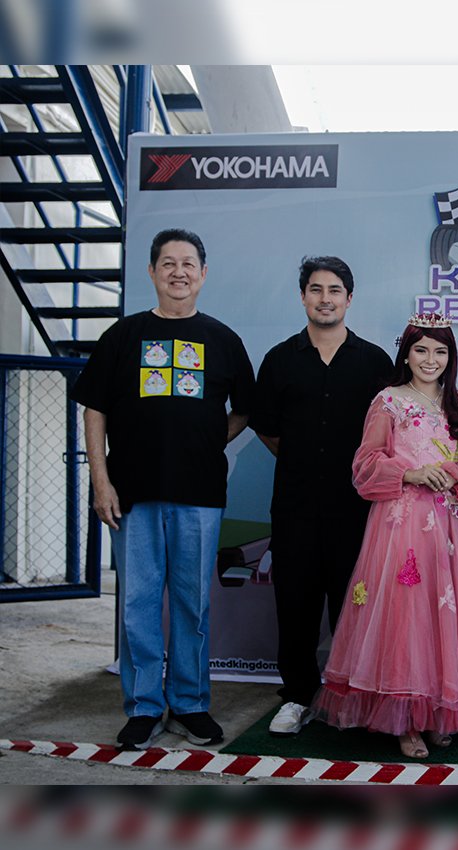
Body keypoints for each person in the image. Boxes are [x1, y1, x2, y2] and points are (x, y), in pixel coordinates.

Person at [72, 228, 255, 750]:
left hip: (199, 494)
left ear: (203, 274)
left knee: (192, 605)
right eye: (168, 263)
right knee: (138, 603)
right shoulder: (122, 336)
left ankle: (191, 704)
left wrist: (206, 440)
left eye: (188, 263)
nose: (179, 272)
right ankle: (144, 706)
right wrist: (101, 480)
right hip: (131, 492)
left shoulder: (223, 339)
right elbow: (94, 410)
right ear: (151, 272)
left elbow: (245, 409)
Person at [310, 314, 458, 759]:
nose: (430, 359)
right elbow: (365, 465)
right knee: (409, 620)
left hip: (455, 530)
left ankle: (441, 712)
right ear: (406, 354)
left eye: (440, 351)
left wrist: (455, 476)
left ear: (451, 357)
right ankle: (406, 720)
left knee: (451, 623)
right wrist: (411, 473)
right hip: (403, 527)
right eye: (421, 350)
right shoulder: (388, 402)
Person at [250, 256, 393, 737]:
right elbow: (267, 429)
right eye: (316, 289)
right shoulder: (279, 359)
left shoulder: (375, 362)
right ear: (303, 296)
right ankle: (297, 696)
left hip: (358, 510)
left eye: (334, 290)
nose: (325, 299)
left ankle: (352, 700)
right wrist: (304, 460)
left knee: (356, 605)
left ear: (349, 299)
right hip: (295, 508)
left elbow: (391, 434)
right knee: (296, 605)